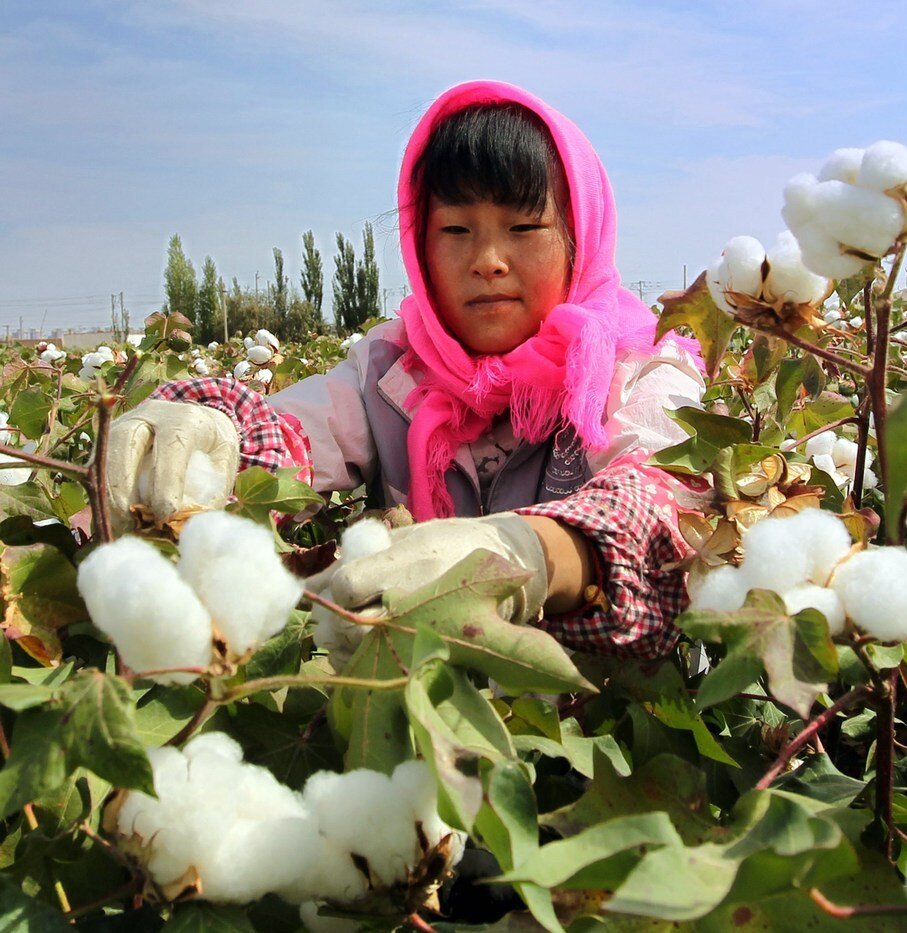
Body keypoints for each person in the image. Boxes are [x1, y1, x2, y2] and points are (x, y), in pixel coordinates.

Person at [104, 81, 706, 659]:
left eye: (524, 227)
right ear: (420, 245)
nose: (488, 261)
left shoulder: (643, 366)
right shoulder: (390, 371)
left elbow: (668, 513)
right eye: (455, 230)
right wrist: (214, 440)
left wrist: (530, 553)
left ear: (579, 235)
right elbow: (293, 438)